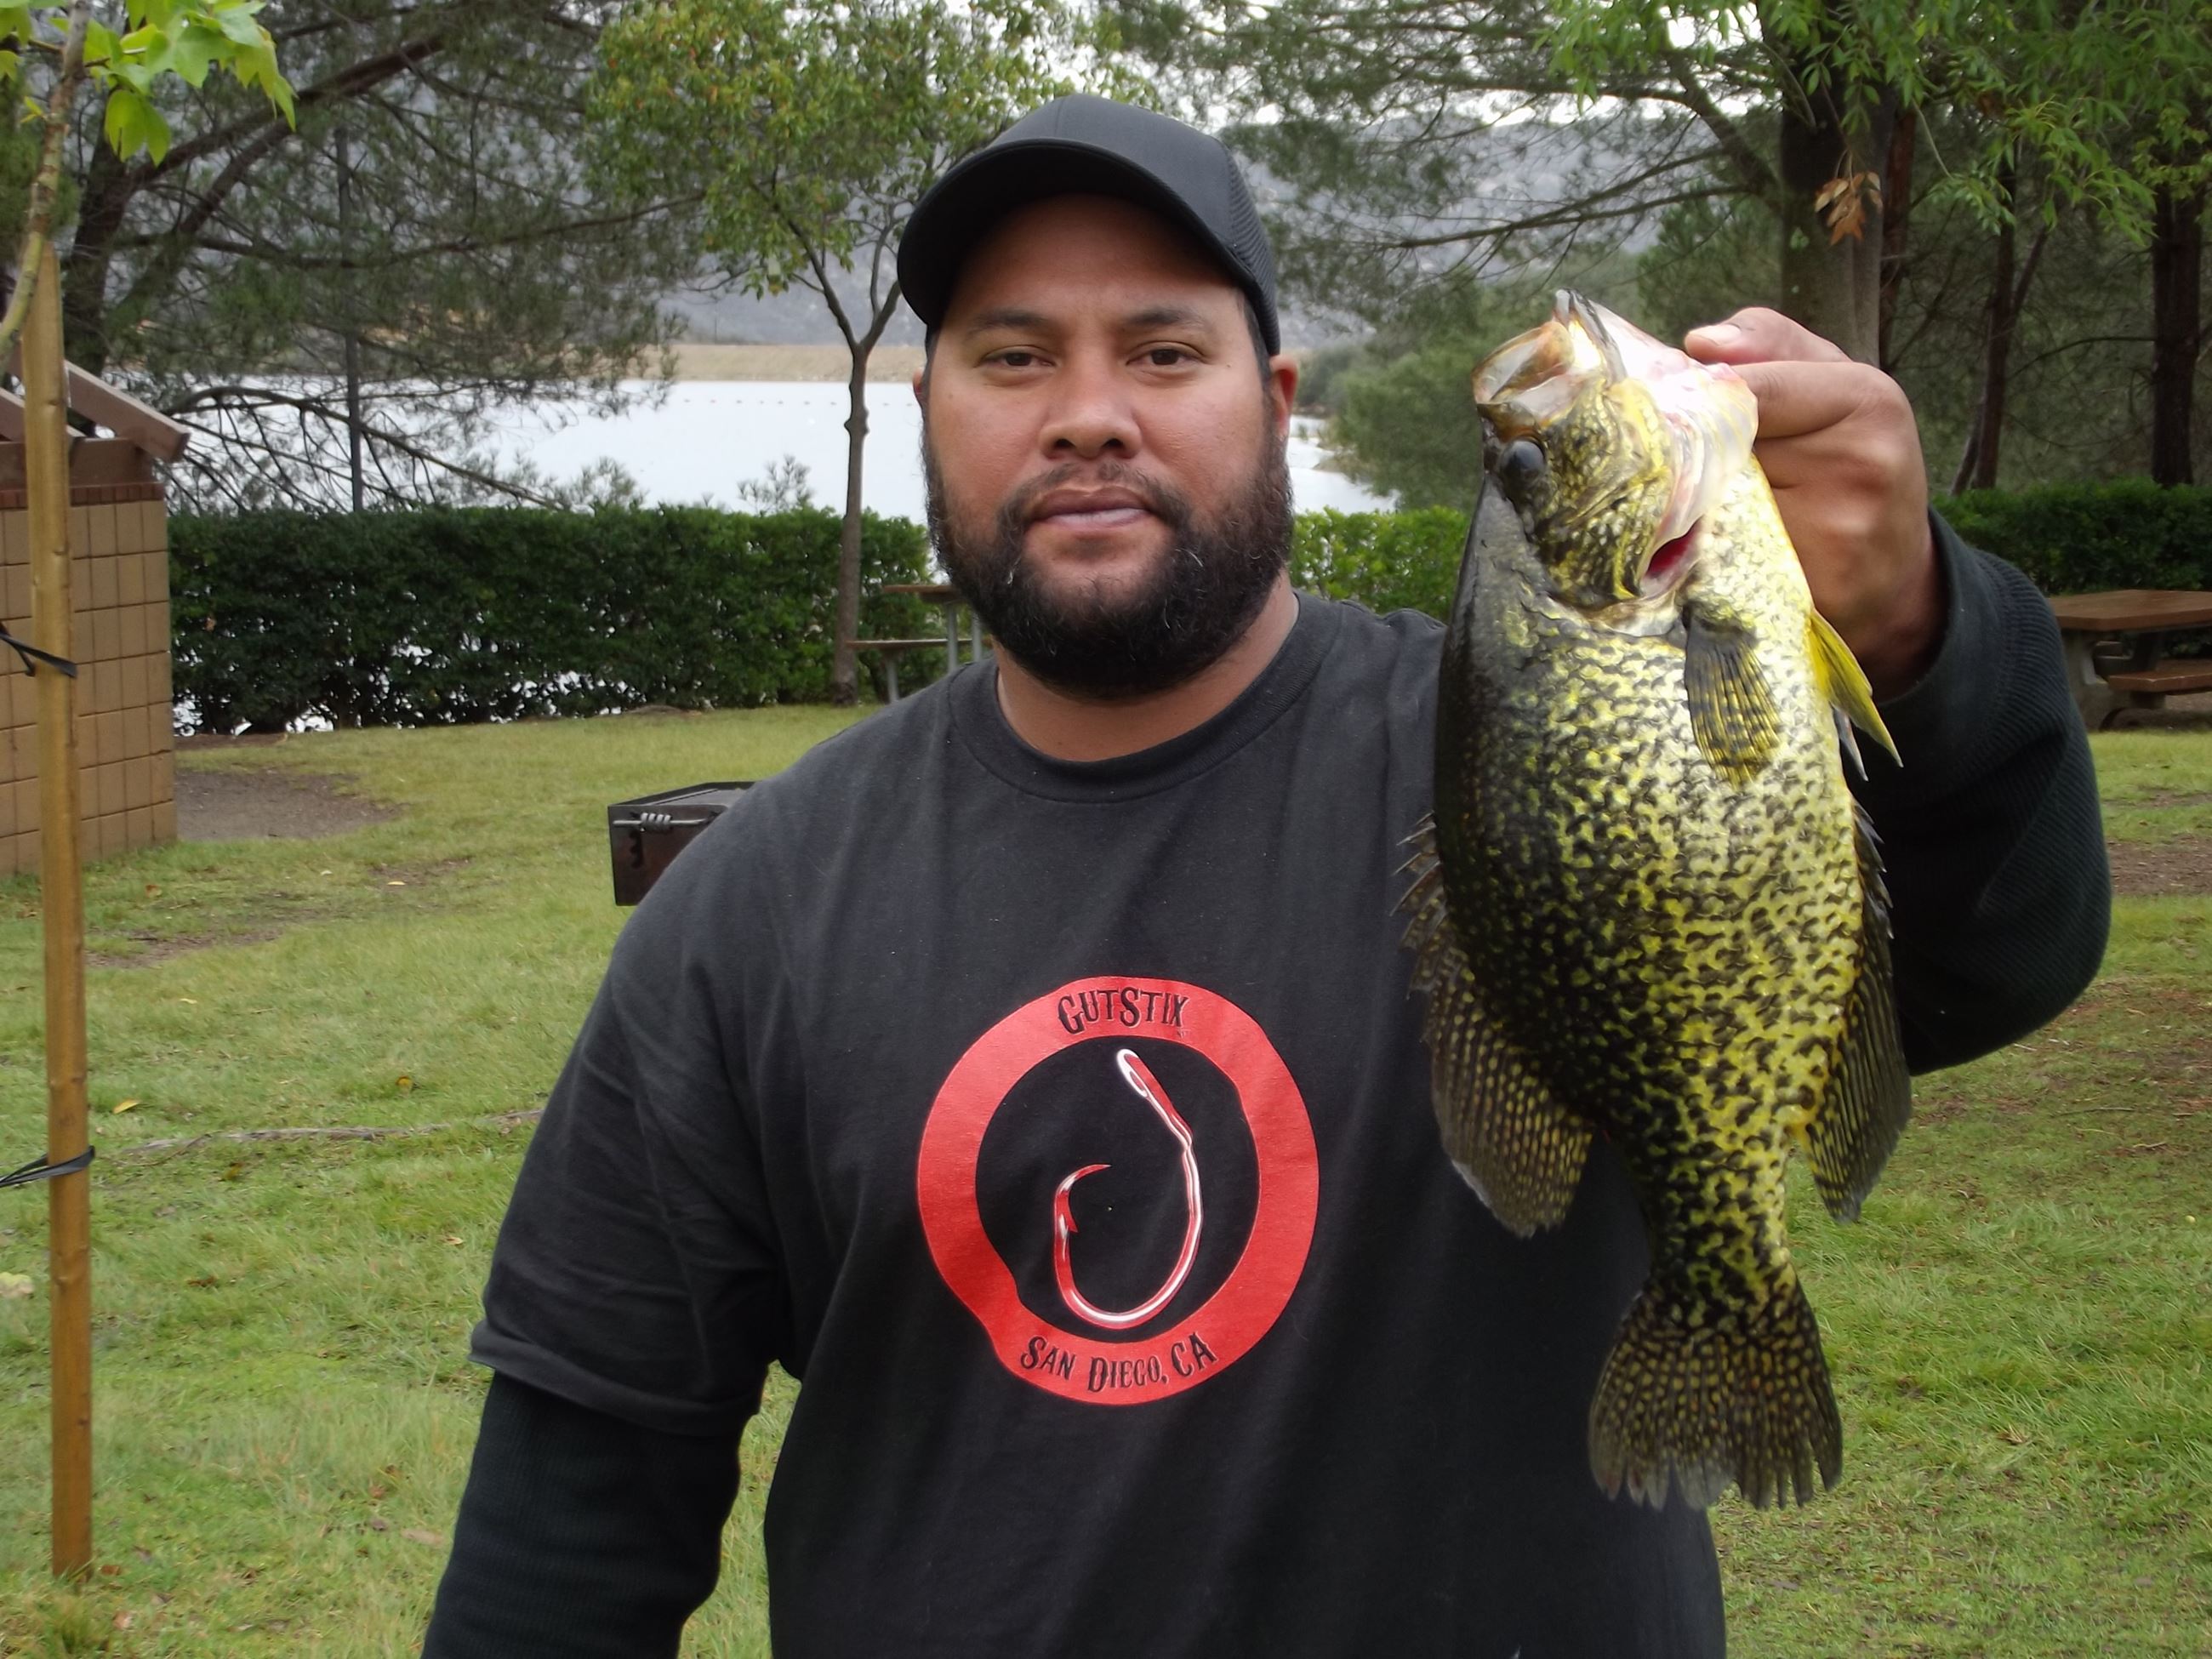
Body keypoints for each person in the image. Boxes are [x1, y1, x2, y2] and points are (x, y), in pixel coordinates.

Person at [423, 95, 2107, 1657]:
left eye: (1163, 347)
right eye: (1013, 356)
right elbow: (575, 1514)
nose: (1089, 411)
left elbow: (1999, 951)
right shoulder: (758, 908)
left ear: (1276, 404)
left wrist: (1925, 633)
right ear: (924, 411)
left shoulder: (1517, 763)